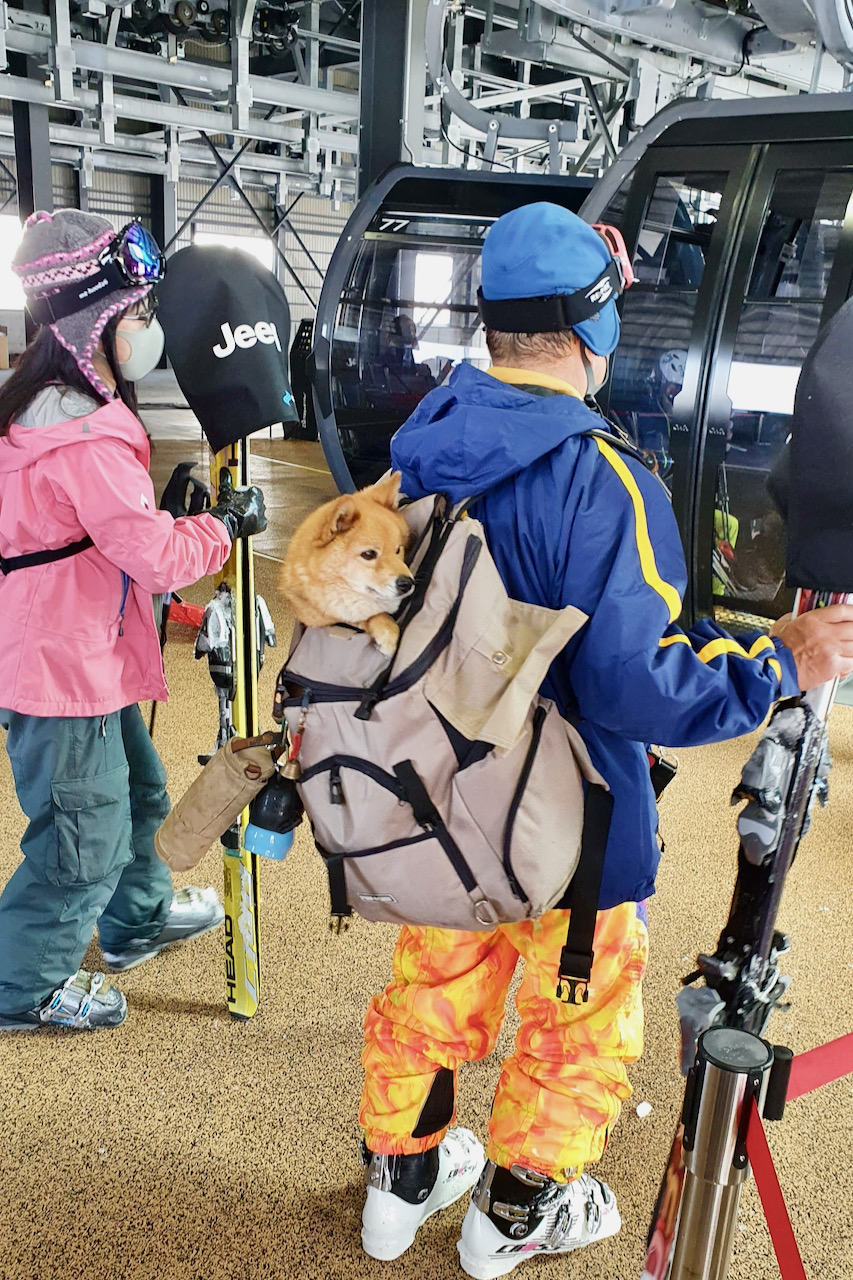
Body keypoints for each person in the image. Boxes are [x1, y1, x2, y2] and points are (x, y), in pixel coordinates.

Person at [356, 203, 853, 1277]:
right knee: (573, 1016)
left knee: (432, 987)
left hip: (427, 803)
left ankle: (398, 1186)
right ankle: (513, 1213)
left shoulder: (420, 442)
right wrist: (779, 663)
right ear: (596, 330)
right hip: (568, 824)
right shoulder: (602, 477)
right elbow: (637, 685)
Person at [0, 209, 267, 1033]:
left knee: (139, 794)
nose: (148, 331)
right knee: (79, 841)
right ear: (94, 322)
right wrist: (222, 526)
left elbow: (105, 535)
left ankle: (134, 921)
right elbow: (156, 557)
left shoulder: (58, 399)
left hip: (89, 651)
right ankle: (21, 987)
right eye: (138, 314)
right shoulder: (78, 429)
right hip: (60, 671)